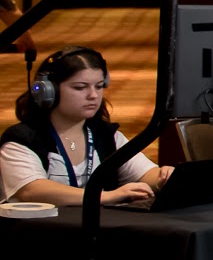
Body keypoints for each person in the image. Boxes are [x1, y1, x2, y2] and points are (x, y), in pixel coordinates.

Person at [2, 47, 174, 207]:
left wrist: (163, 178)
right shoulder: (22, 139)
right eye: (80, 87)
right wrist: (105, 196)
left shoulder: (107, 135)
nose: (93, 95)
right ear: (48, 91)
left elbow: (145, 174)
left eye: (99, 86)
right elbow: (31, 190)